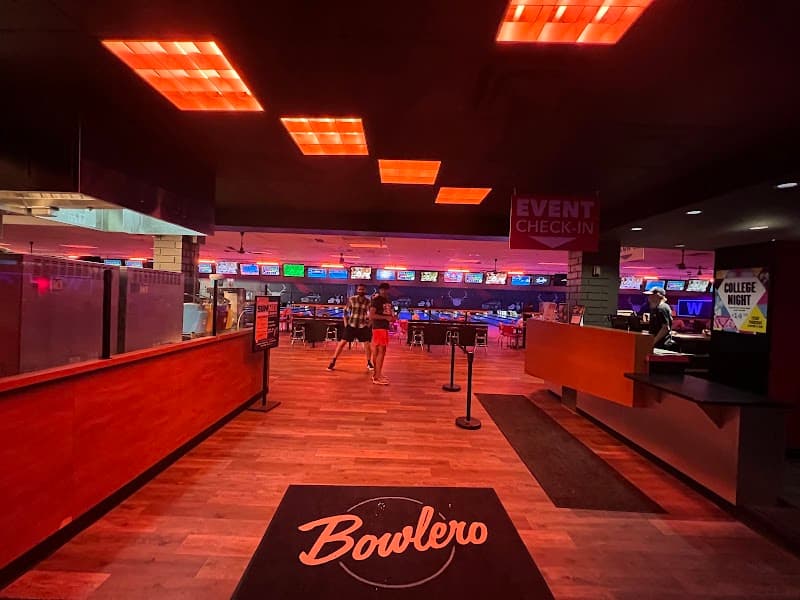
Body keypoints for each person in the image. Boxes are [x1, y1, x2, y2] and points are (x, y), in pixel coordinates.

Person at [327, 284, 374, 372]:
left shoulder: (368, 301)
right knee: (342, 343)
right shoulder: (352, 299)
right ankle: (333, 361)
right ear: (357, 290)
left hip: (362, 326)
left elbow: (371, 314)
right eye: (360, 289)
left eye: (363, 289)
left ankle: (369, 362)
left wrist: (369, 324)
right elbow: (345, 311)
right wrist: (345, 323)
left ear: (365, 290)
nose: (361, 291)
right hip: (351, 325)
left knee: (367, 345)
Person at [369, 282, 395, 385]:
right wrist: (386, 318)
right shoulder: (376, 301)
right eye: (382, 289)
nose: (384, 291)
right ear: (379, 290)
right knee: (380, 351)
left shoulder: (387, 300)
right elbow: (372, 315)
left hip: (383, 327)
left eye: (386, 289)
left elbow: (387, 314)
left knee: (380, 351)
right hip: (378, 328)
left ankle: (377, 374)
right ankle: (377, 377)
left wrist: (391, 318)